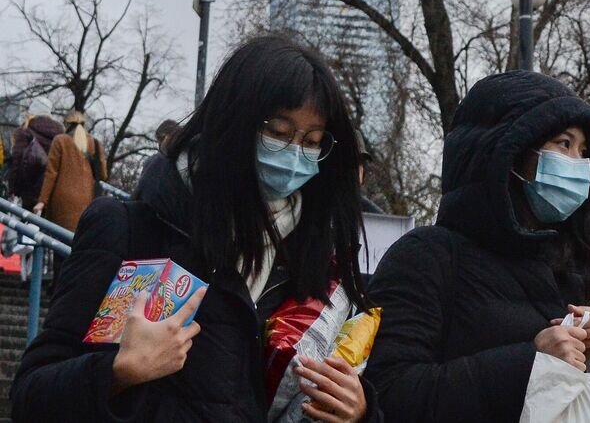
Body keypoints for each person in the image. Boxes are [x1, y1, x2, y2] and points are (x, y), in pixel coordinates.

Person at [11, 34, 381, 422]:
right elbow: (32, 397)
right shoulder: (130, 232)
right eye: (278, 131)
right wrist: (117, 372)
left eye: (312, 141)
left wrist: (359, 411)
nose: (293, 154)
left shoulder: (315, 262)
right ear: (233, 120)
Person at [364, 70, 590, 420]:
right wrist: (528, 364)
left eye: (584, 152)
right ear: (510, 153)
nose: (578, 164)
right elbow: (386, 392)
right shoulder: (426, 256)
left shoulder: (567, 261)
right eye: (564, 144)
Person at [35, 110, 108, 232]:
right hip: (88, 200)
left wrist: (42, 201)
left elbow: (51, 174)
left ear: (66, 124)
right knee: (79, 241)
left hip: (62, 201)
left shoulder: (60, 140)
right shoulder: (95, 143)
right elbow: (103, 175)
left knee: (60, 242)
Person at [7, 111, 64, 210]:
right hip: (51, 192)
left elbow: (17, 161)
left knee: (23, 223)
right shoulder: (60, 135)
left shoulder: (25, 131)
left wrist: (13, 189)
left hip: (27, 190)